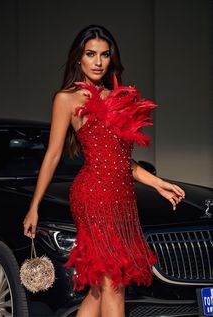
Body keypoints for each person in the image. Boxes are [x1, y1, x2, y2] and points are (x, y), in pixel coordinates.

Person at [23, 25, 185, 317]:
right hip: (93, 197)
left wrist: (158, 183)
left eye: (104, 55)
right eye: (90, 54)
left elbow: (122, 160)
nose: (97, 62)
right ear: (78, 59)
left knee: (100, 289)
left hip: (123, 199)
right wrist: (34, 207)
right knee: (114, 282)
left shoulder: (119, 99)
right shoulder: (67, 99)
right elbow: (53, 155)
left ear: (112, 59)